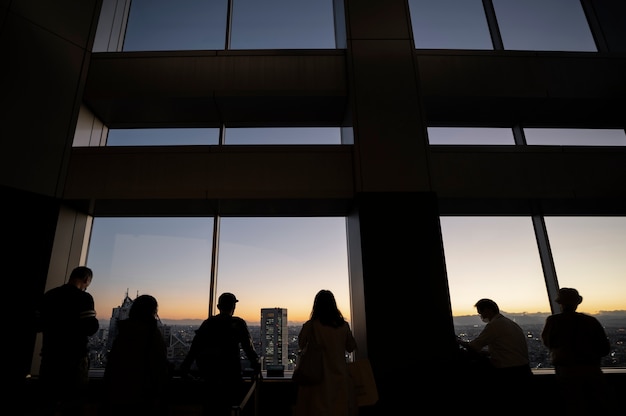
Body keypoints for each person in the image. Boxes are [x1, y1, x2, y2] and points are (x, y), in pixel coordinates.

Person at [179, 292, 261, 416]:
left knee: (211, 408)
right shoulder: (237, 323)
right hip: (231, 374)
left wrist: (184, 369)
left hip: (210, 375)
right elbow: (248, 348)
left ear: (218, 307)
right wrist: (256, 365)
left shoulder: (208, 323)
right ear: (234, 307)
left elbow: (194, 349)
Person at [34, 266, 99, 416]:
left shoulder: (50, 295)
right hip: (74, 360)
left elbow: (38, 325)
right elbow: (90, 328)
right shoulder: (84, 298)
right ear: (86, 280)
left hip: (50, 357)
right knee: (74, 404)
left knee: (47, 403)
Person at [541, 287, 613, 415]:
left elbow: (548, 342)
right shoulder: (591, 321)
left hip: (566, 372)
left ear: (560, 304)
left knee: (574, 407)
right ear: (577, 303)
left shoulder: (553, 321)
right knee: (600, 405)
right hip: (592, 370)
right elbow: (604, 348)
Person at [103, 294, 172, 416]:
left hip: (118, 391)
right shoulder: (152, 333)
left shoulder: (123, 331)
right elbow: (158, 365)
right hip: (144, 393)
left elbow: (113, 362)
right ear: (153, 311)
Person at [294, 289, 358, 416]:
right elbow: (351, 347)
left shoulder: (310, 326)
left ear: (316, 306)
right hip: (340, 380)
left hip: (315, 380)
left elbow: (301, 345)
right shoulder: (343, 326)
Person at [457, 298, 532, 395]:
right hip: (523, 370)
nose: (481, 316)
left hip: (508, 372)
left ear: (488, 310)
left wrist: (459, 341)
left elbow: (474, 346)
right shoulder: (511, 323)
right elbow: (507, 349)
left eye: (481, 313)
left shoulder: (494, 325)